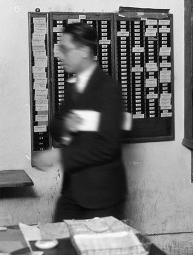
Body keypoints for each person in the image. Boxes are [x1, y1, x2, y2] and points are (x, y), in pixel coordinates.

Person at [33, 22, 127, 222]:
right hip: (72, 192)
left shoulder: (109, 89)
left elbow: (107, 147)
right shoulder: (72, 86)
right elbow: (56, 126)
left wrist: (59, 155)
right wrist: (66, 125)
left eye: (65, 49)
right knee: (60, 246)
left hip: (101, 197)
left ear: (84, 51)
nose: (59, 55)